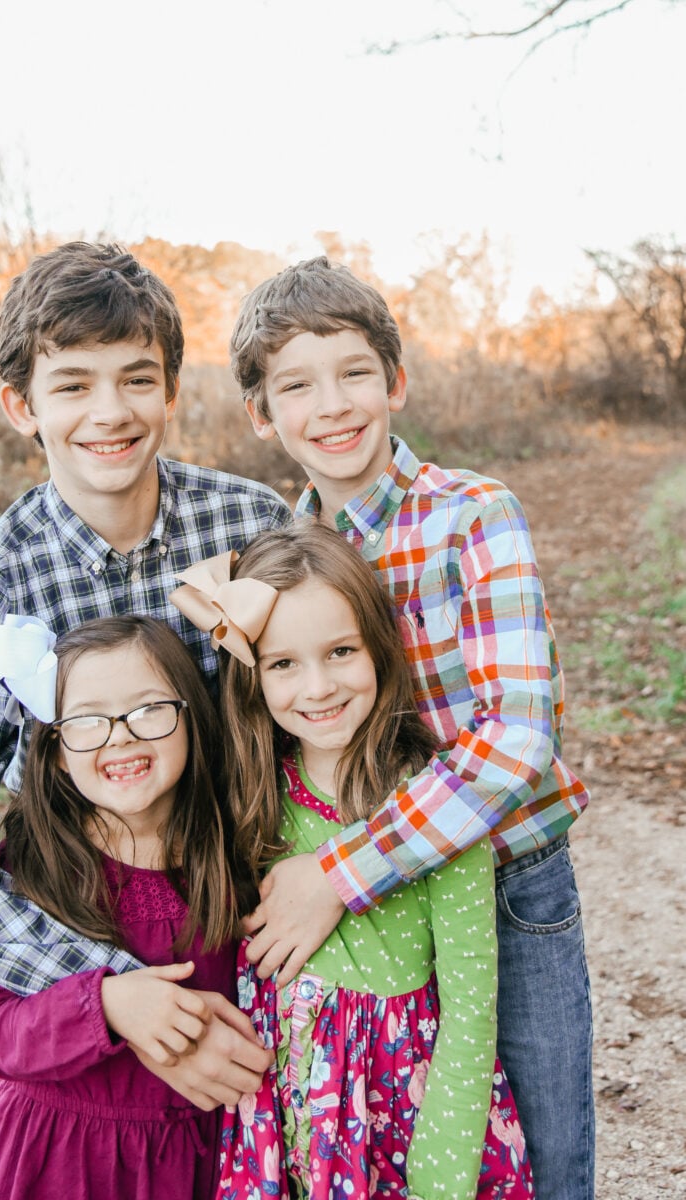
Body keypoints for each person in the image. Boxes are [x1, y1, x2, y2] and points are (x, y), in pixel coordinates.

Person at [0, 242, 284, 1108]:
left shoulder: (253, 524)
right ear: (20, 406)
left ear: (171, 391)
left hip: (264, 921)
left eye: (137, 379)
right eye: (72, 385)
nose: (110, 411)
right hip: (110, 928)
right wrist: (106, 987)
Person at [226, 257, 593, 1200]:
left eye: (353, 372)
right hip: (365, 903)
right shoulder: (280, 556)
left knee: (538, 1146)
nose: (332, 404)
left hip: (504, 881)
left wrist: (339, 874)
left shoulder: (472, 517)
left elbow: (515, 740)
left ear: (395, 380)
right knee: (376, 1125)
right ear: (263, 415)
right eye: (295, 385)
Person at [171, 523, 535, 1199]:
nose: (317, 687)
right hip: (282, 1114)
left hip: (403, 1111)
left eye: (340, 651)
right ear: (252, 675)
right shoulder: (253, 798)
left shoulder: (435, 811)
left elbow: (469, 1011)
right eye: (282, 663)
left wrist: (442, 1173)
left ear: (377, 648)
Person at [0, 615, 253, 1199]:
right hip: (63, 1159)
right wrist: (107, 1005)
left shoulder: (231, 851)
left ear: (192, 720)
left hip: (193, 1158)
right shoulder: (36, 863)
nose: (120, 736)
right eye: (88, 720)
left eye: (149, 709)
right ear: (55, 751)